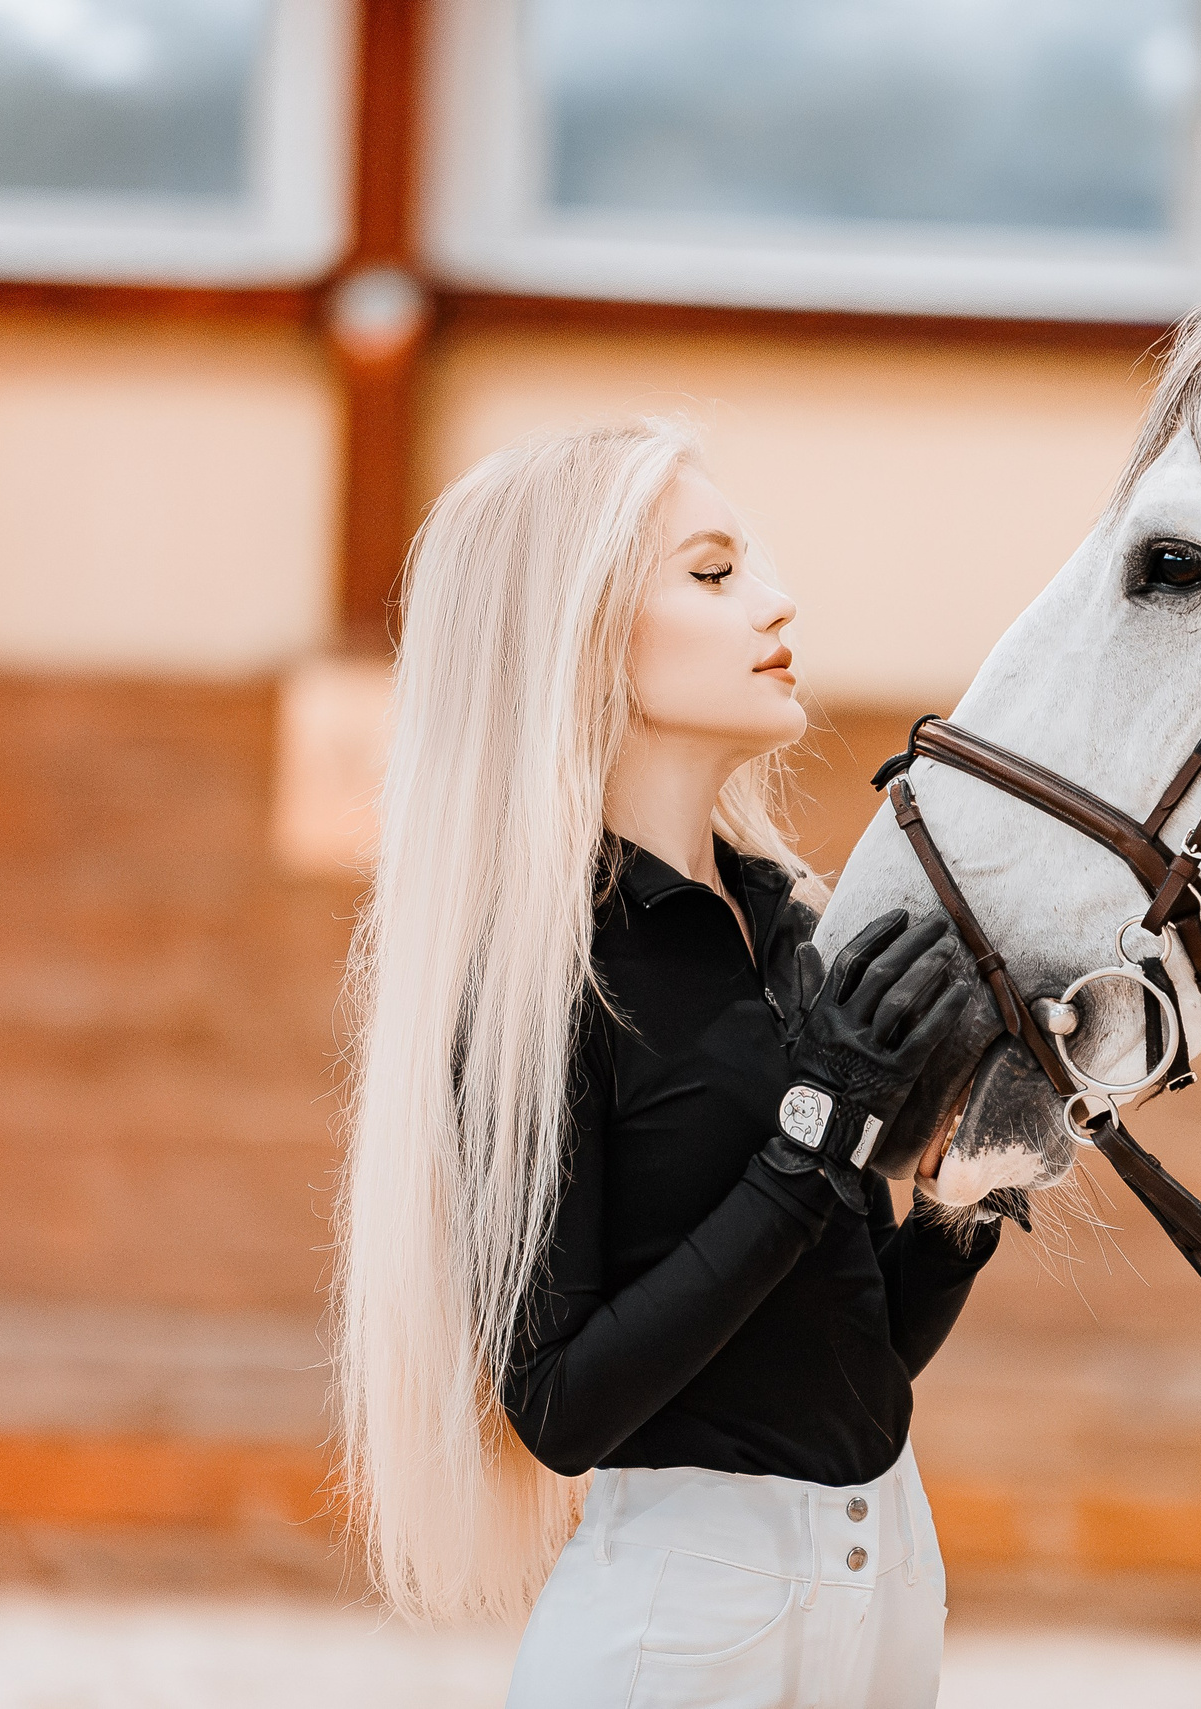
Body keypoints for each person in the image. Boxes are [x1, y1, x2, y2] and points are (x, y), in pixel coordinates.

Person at [334, 418, 1003, 1707]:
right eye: (712, 573)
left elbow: (847, 1356)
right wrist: (812, 1141)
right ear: (579, 632)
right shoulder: (538, 984)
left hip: (889, 1580)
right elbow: (561, 1406)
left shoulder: (795, 932)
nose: (776, 600)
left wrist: (978, 1190)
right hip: (687, 1625)